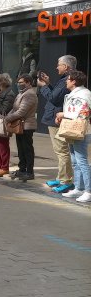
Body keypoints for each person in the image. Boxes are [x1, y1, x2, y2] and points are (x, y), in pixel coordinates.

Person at [37, 55, 76, 193]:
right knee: (60, 151)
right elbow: (57, 96)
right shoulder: (65, 80)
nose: (57, 67)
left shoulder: (68, 79)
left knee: (62, 151)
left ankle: (66, 181)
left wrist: (43, 86)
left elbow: (53, 98)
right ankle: (61, 178)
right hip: (55, 118)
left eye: (59, 64)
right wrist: (48, 84)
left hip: (57, 119)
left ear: (65, 67)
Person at [55, 70, 91, 203]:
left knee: (81, 161)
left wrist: (62, 115)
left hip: (81, 131)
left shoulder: (82, 94)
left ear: (74, 81)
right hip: (74, 130)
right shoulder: (78, 93)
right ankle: (79, 187)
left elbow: (81, 112)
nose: (66, 81)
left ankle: (88, 190)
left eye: (68, 79)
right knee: (75, 160)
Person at [5, 74, 38, 181]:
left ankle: (29, 172)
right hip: (20, 125)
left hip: (27, 126)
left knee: (27, 149)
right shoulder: (21, 94)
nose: (19, 84)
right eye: (18, 83)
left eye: (21, 82)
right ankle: (22, 169)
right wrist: (8, 116)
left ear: (28, 82)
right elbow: (14, 109)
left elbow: (21, 112)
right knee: (21, 149)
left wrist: (8, 119)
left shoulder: (29, 94)